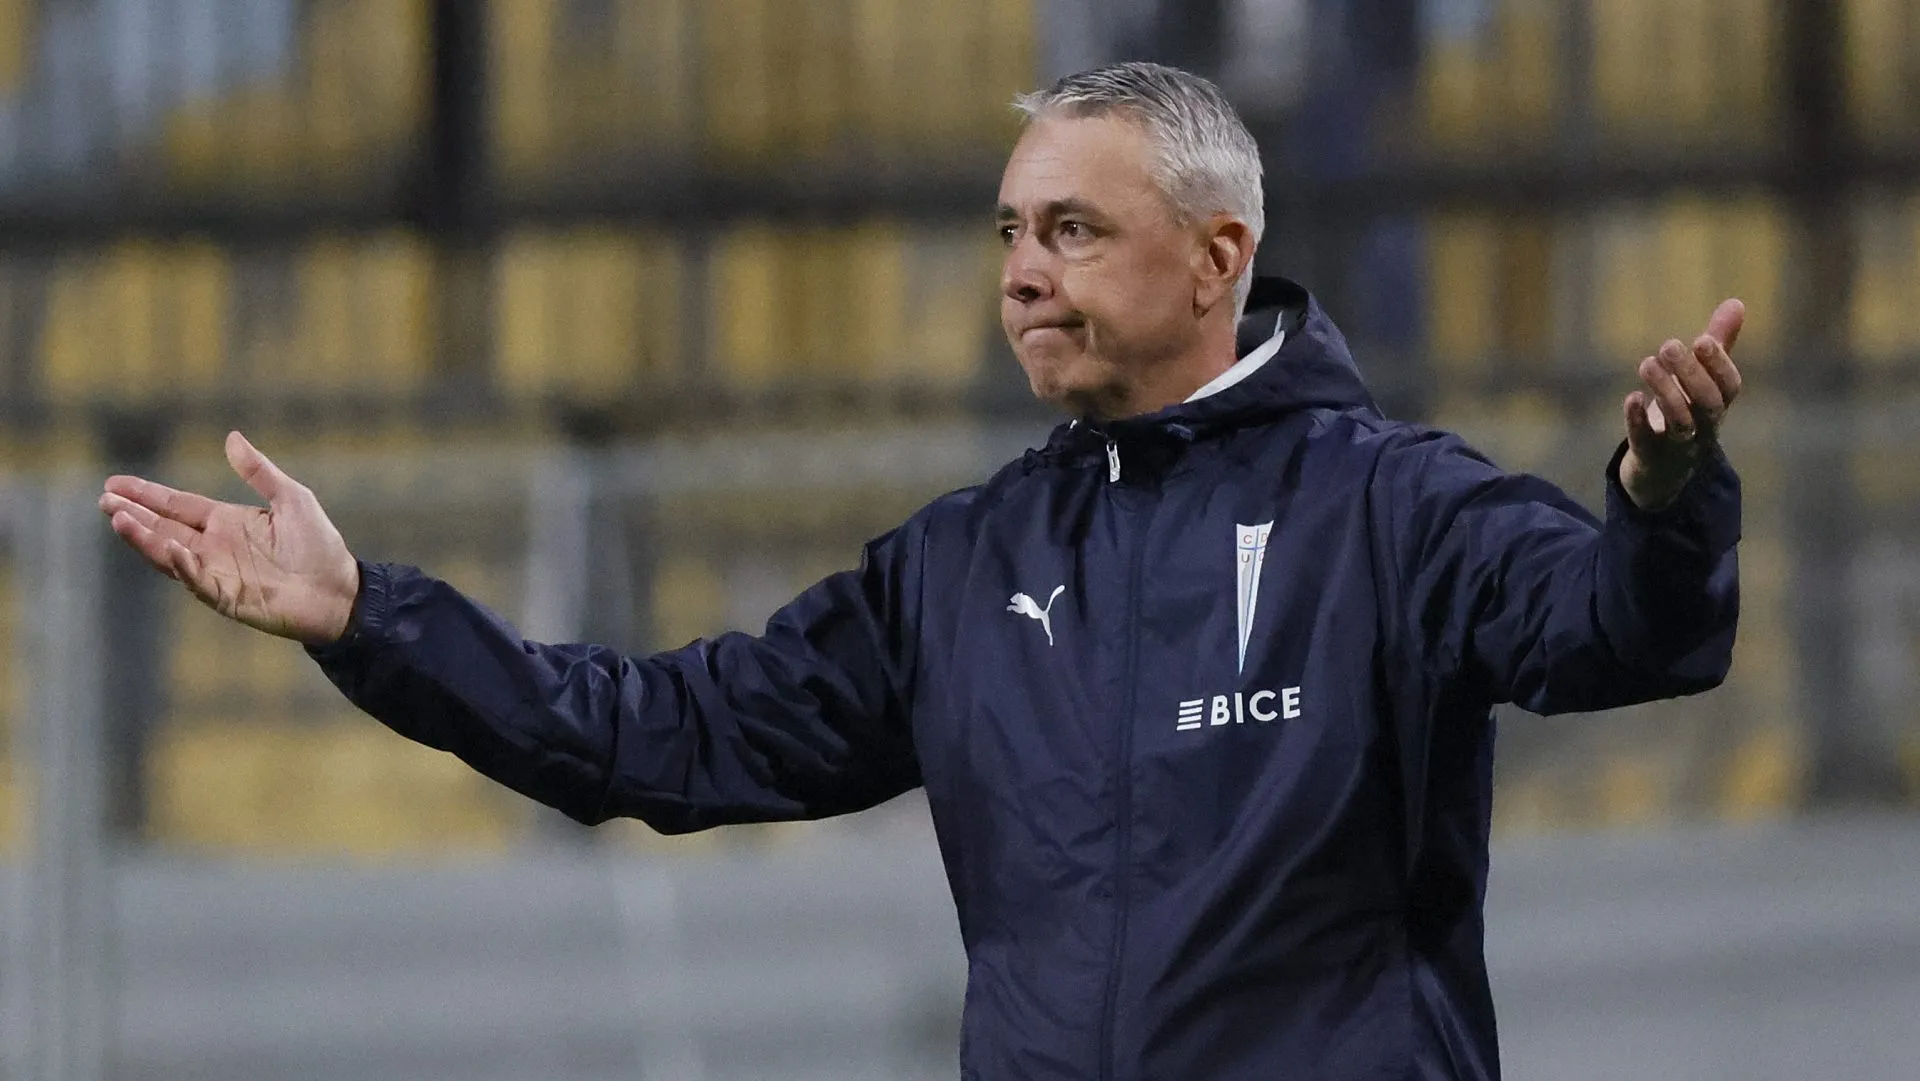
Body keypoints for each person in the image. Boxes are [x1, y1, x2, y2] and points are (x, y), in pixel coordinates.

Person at [98, 62, 1743, 1081]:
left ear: (1218, 258)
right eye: (1010, 235)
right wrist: (366, 616)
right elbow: (656, 733)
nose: (1022, 276)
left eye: (1073, 233)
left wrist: (1662, 495)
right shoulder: (968, 564)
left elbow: (1614, 632)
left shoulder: (1391, 510)